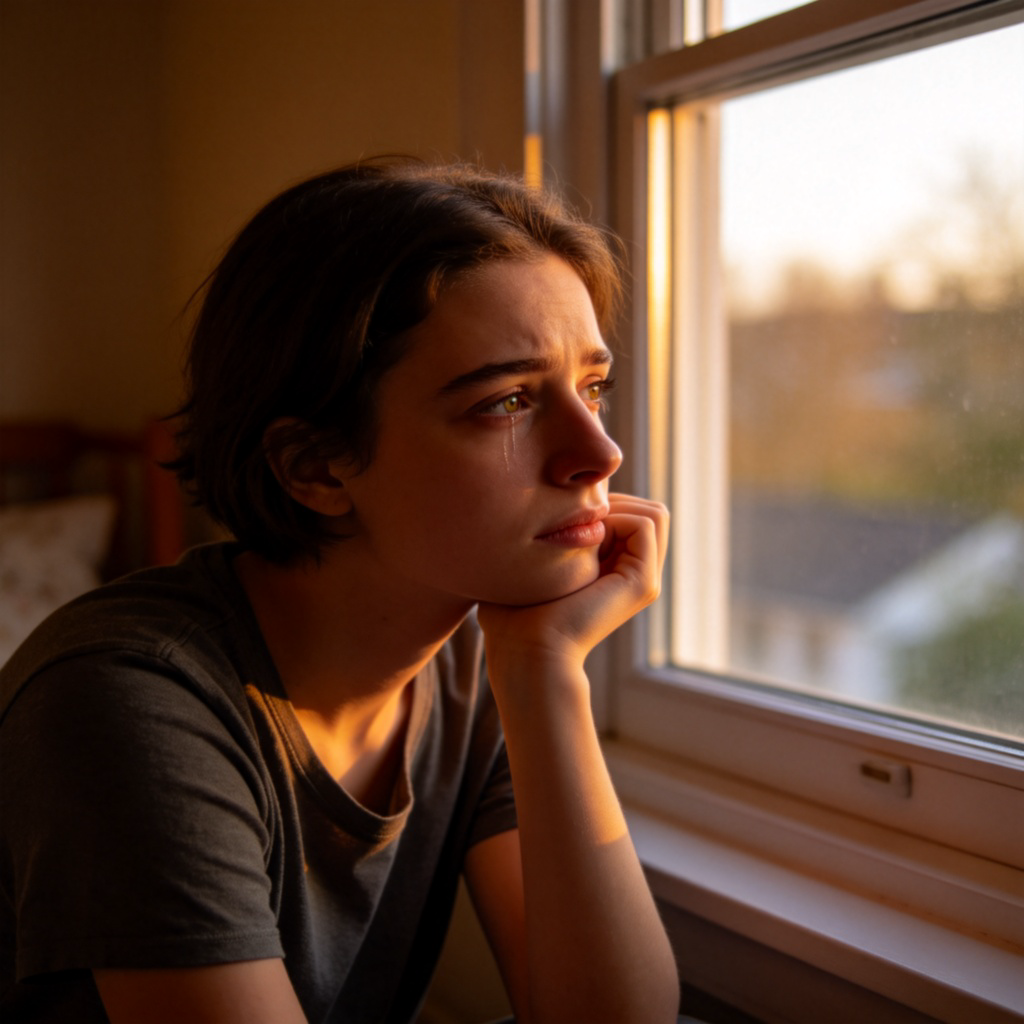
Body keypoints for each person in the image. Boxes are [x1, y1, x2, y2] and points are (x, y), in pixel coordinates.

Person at [0, 158, 679, 1023]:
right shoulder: (126, 703)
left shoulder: (475, 662)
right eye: (507, 401)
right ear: (315, 465)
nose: (599, 452)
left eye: (591, 388)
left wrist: (547, 670)